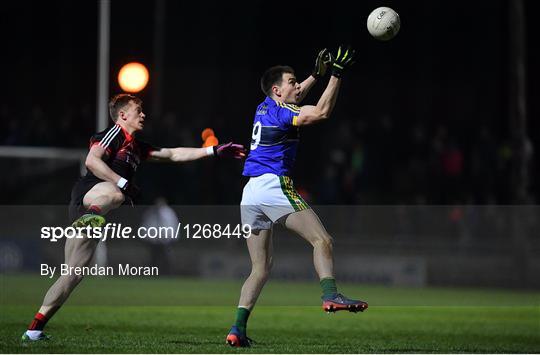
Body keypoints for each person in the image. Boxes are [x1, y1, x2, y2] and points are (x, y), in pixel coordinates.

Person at [22, 93, 245, 342]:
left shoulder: (137, 147)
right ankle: (90, 217)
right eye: (138, 110)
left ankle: (33, 330)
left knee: (72, 275)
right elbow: (92, 161)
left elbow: (173, 154)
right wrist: (122, 182)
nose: (143, 114)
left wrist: (212, 150)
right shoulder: (114, 134)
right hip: (89, 197)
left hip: (98, 208)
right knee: (117, 195)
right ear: (123, 115)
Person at [226, 47, 368, 347]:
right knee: (323, 240)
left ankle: (237, 329)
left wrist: (315, 76)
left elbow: (296, 95)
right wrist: (335, 76)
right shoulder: (281, 112)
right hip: (273, 186)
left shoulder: (264, 106)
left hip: (250, 192)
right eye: (292, 82)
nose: (297, 86)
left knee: (260, 268)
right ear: (278, 89)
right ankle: (330, 295)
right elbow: (320, 112)